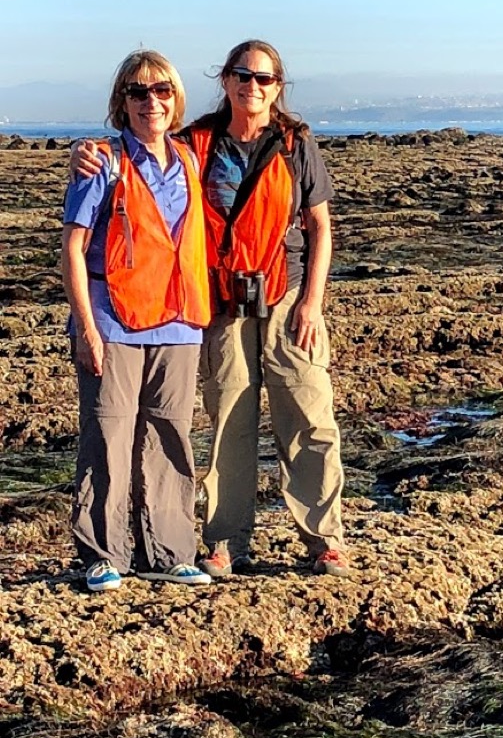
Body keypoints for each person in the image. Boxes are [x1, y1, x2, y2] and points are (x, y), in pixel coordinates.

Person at [72, 40, 349, 578]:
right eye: (242, 76)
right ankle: (225, 542)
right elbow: (138, 150)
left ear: (278, 86)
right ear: (224, 81)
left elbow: (320, 227)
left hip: (287, 292)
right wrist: (84, 152)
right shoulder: (195, 143)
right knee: (229, 421)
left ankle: (324, 539)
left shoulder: (295, 144)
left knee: (309, 414)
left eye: (264, 79)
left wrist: (313, 303)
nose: (252, 86)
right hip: (220, 300)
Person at [62, 50, 213, 592]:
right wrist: (86, 326)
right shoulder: (101, 163)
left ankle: (170, 550)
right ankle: (103, 553)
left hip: (178, 323)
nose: (152, 101)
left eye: (163, 91)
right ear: (120, 102)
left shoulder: (191, 160)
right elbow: (73, 249)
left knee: (169, 436)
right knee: (109, 435)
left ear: (176, 99)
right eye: (138, 91)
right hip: (114, 322)